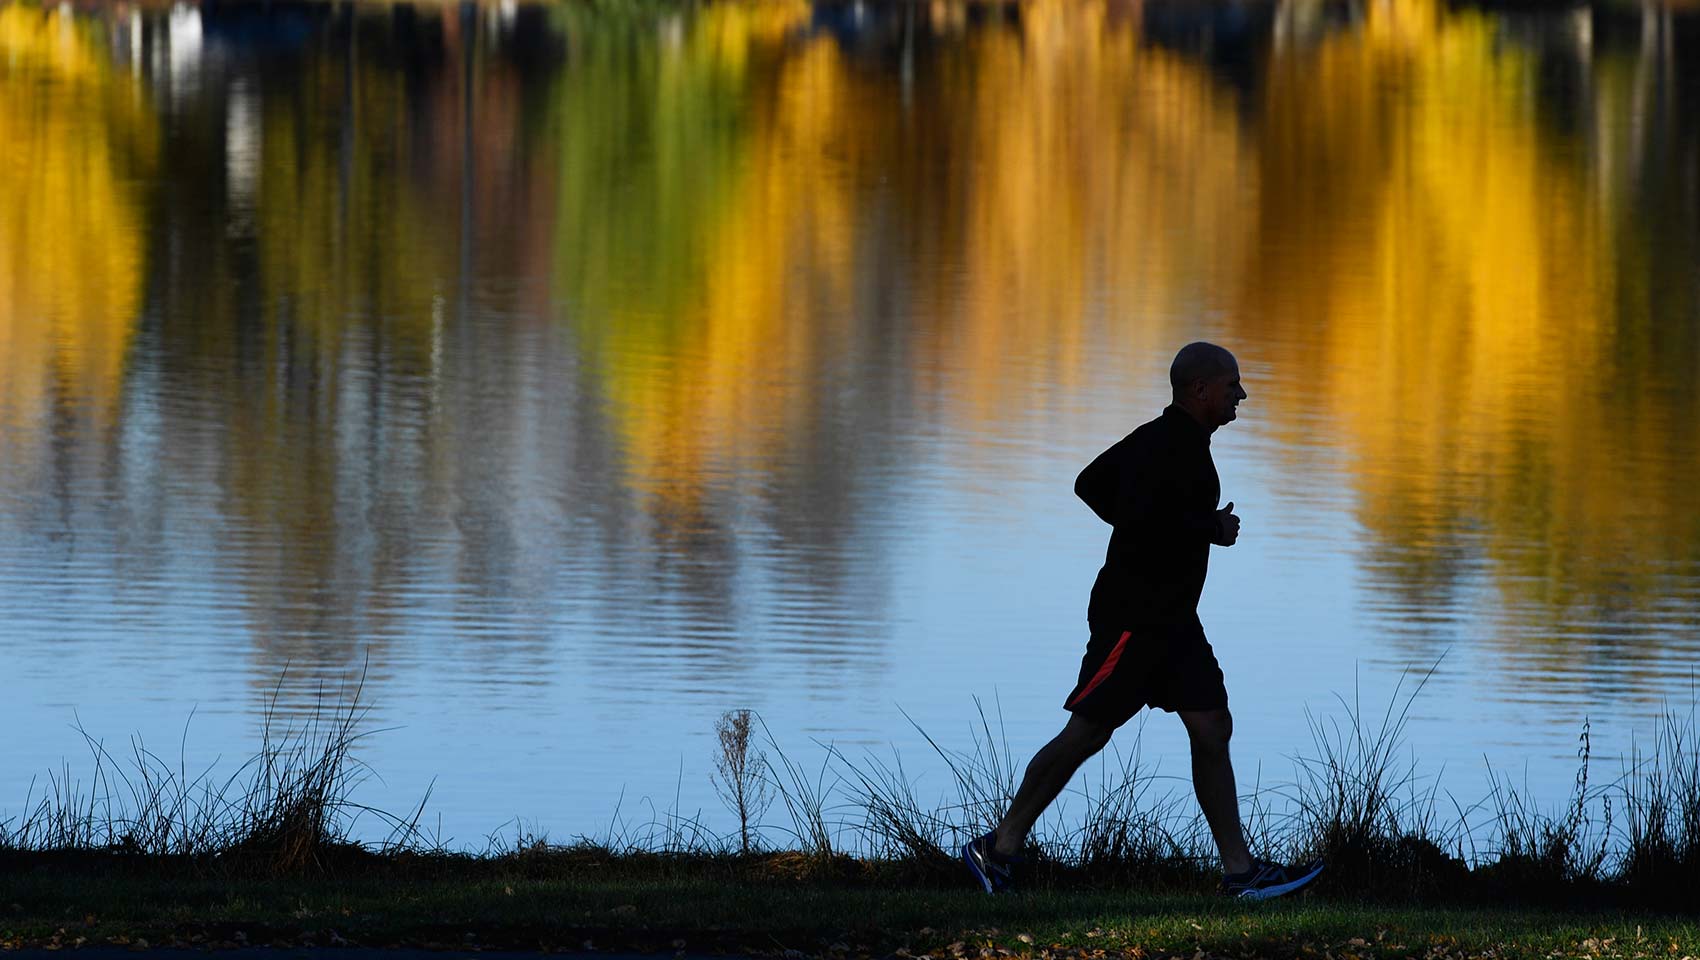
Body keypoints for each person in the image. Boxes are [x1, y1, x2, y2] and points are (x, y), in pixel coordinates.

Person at [961, 341, 1323, 900]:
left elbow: (1128, 500)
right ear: (1199, 390)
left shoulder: (1184, 441)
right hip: (1133, 617)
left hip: (1175, 621)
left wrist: (1186, 524)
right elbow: (1095, 487)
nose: (1241, 396)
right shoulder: (1162, 441)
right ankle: (997, 849)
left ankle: (1240, 873)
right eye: (1232, 386)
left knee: (1211, 726)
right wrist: (1203, 528)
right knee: (1088, 732)